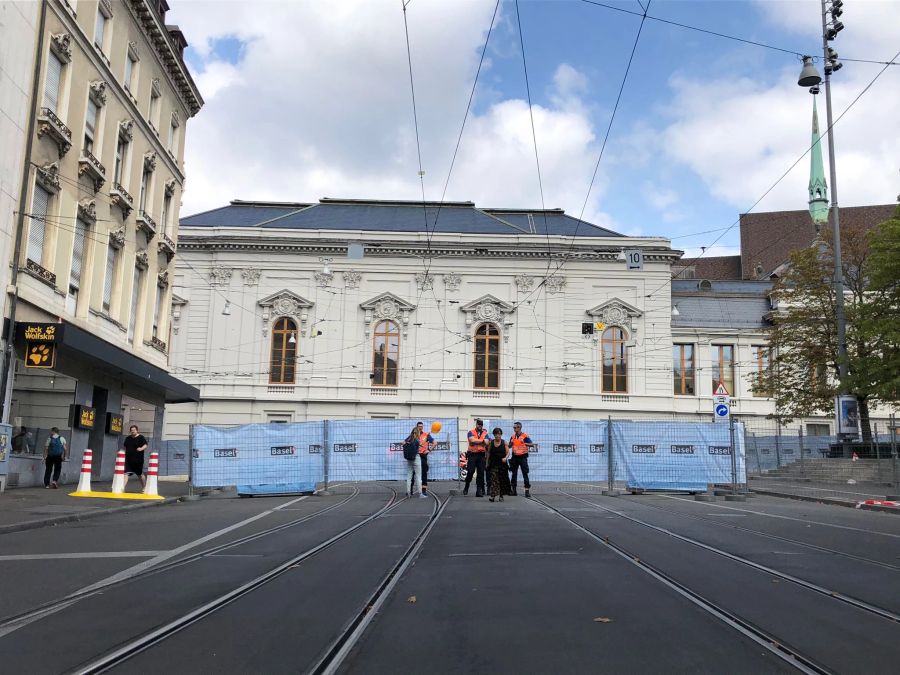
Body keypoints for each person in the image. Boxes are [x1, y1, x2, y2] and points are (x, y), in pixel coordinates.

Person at [508, 422, 535, 497]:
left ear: (519, 427)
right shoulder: (513, 436)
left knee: (525, 473)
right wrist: (510, 444)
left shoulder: (525, 436)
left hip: (523, 457)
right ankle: (514, 491)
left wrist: (524, 443)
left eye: (515, 427)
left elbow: (532, 444)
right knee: (514, 474)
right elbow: (509, 446)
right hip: (515, 457)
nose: (514, 429)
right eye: (513, 427)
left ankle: (527, 491)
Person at [464, 418, 488, 497]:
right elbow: (471, 441)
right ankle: (467, 485)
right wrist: (482, 441)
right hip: (472, 454)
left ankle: (479, 491)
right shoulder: (471, 432)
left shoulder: (485, 433)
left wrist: (477, 441)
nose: (480, 426)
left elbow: (487, 442)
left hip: (481, 455)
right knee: (470, 471)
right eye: (479, 424)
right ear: (476, 424)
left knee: (480, 473)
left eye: (481, 425)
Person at [486, 427, 511, 502]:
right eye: (496, 434)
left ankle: (501, 495)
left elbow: (508, 453)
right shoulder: (491, 443)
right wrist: (487, 463)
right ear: (494, 435)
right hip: (493, 465)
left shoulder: (504, 443)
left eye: (499, 434)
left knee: (501, 480)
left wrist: (505, 458)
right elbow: (488, 453)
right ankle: (493, 496)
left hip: (502, 465)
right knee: (494, 480)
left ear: (501, 435)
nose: (497, 436)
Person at [403, 425, 427, 498]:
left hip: (409, 459)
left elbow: (403, 443)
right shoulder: (417, 440)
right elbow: (419, 447)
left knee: (409, 476)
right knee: (418, 476)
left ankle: (408, 492)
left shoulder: (409, 439)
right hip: (416, 458)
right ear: (418, 433)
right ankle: (420, 493)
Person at [123, 425, 149, 489]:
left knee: (140, 474)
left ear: (137, 430)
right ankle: (122, 487)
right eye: (131, 430)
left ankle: (144, 487)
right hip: (129, 460)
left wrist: (141, 448)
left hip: (138, 460)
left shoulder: (141, 437)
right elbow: (124, 446)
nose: (133, 431)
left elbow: (145, 445)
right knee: (126, 474)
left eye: (134, 430)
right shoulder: (128, 438)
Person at [414, 421, 435, 496]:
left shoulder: (426, 435)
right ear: (417, 427)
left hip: (423, 456)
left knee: (424, 473)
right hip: (415, 456)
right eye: (419, 426)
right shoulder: (413, 435)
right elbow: (405, 442)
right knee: (413, 472)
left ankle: (424, 490)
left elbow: (435, 443)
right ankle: (410, 490)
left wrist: (429, 450)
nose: (420, 427)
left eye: (421, 426)